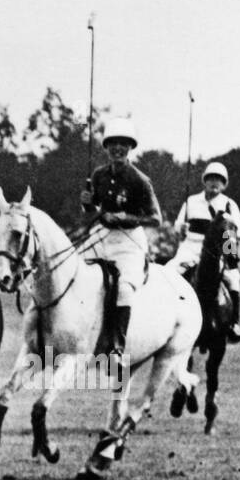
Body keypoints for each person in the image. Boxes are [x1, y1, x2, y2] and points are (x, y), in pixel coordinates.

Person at [80, 119, 162, 379]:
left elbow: (155, 219)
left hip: (129, 240)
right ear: (106, 147)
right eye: (113, 144)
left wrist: (126, 217)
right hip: (101, 235)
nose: (118, 149)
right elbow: (91, 211)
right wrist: (87, 205)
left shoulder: (140, 180)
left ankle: (116, 346)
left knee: (125, 288)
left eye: (123, 145)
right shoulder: (98, 175)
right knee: (74, 272)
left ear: (130, 148)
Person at [170, 160, 240, 342]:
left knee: (233, 278)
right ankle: (167, 317)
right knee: (170, 272)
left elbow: (238, 235)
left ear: (224, 184)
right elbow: (178, 227)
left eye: (219, 180)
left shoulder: (229, 205)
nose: (214, 183)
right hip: (191, 247)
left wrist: (234, 256)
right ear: (204, 181)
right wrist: (180, 228)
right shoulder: (191, 201)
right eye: (211, 179)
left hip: (218, 250)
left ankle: (234, 323)